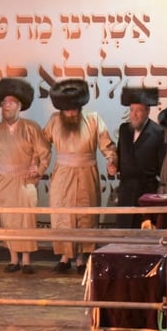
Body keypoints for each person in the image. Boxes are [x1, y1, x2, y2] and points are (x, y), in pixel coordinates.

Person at [42, 79, 118, 274]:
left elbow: (106, 144)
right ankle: (64, 256)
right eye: (67, 110)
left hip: (87, 173)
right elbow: (42, 146)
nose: (71, 113)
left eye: (74, 109)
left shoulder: (93, 119)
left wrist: (112, 160)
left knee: (86, 215)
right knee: (62, 215)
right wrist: (38, 164)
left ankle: (81, 258)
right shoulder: (54, 121)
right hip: (62, 175)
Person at [0, 78, 49, 274]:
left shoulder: (31, 127)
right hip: (3, 181)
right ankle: (13, 259)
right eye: (4, 103)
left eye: (11, 102)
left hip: (24, 180)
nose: (7, 106)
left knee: (26, 219)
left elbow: (44, 152)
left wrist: (37, 170)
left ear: (19, 105)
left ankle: (26, 261)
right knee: (8, 220)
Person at [110, 86, 166, 228]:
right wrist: (113, 164)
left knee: (143, 234)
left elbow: (163, 167)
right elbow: (119, 155)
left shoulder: (159, 133)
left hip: (146, 193)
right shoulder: (124, 130)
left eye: (138, 110)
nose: (134, 114)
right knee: (124, 234)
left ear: (147, 111)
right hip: (125, 193)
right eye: (132, 110)